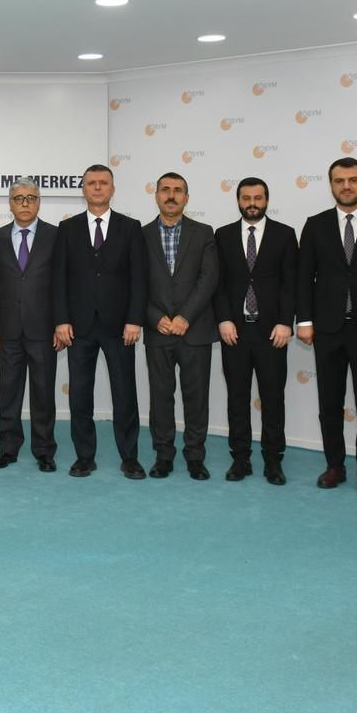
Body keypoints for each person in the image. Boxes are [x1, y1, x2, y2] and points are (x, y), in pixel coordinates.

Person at [296, 158, 357, 494]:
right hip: (327, 329)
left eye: (353, 179)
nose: (347, 186)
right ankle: (334, 466)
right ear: (331, 185)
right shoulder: (315, 225)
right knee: (329, 403)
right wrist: (305, 320)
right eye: (339, 180)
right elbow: (304, 278)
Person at [53, 164, 147, 479]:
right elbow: (59, 278)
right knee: (80, 395)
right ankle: (84, 457)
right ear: (83, 189)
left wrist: (135, 319)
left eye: (103, 182)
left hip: (120, 327)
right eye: (91, 183)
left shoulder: (130, 227)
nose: (97, 187)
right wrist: (61, 319)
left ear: (112, 188)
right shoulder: (67, 228)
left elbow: (139, 278)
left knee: (125, 394)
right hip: (78, 327)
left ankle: (130, 457)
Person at [213, 177, 298, 484]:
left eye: (258, 198)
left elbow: (291, 283)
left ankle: (273, 461)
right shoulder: (222, 235)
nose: (252, 203)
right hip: (234, 332)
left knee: (273, 399)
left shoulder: (285, 234)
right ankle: (240, 459)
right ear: (238, 200)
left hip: (272, 332)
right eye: (246, 198)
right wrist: (223, 319)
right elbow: (218, 282)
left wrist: (285, 322)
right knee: (237, 398)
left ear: (266, 200)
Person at [139, 172, 219, 481]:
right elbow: (134, 282)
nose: (171, 195)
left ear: (186, 197)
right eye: (165, 190)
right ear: (156, 195)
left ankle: (195, 457)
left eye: (178, 190)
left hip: (194, 330)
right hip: (157, 330)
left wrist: (185, 316)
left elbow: (209, 278)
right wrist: (153, 317)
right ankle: (163, 455)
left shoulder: (204, 233)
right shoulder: (141, 235)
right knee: (161, 397)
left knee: (196, 398)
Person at [0, 179, 59, 472]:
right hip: (8, 330)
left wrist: (61, 323)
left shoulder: (56, 236)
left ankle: (44, 450)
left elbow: (63, 284)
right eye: (19, 198)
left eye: (31, 198)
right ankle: (7, 448)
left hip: (44, 329)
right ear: (10, 204)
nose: (25, 203)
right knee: (9, 393)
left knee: (44, 394)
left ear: (39, 202)